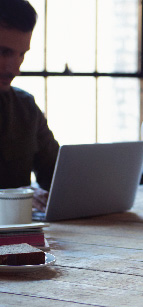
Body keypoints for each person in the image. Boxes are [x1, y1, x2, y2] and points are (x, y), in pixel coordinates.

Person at [0, 0, 59, 212]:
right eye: (4, 52)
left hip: (22, 237)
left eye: (21, 54)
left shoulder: (25, 107)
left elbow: (57, 176)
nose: (15, 69)